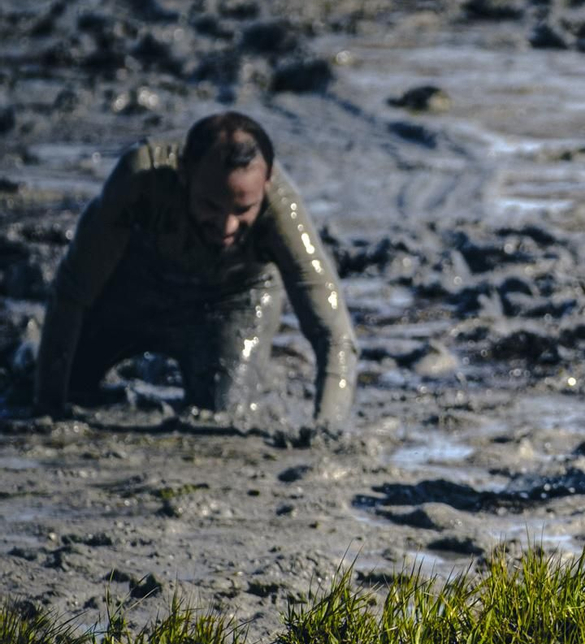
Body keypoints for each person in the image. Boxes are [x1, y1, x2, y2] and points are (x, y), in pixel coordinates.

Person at [34, 112, 357, 429]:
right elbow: (72, 292)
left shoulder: (282, 212)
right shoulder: (140, 179)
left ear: (267, 181)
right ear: (183, 174)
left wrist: (327, 427)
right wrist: (46, 406)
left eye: (243, 210)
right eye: (211, 206)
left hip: (232, 303)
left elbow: (332, 332)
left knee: (224, 418)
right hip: (133, 292)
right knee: (67, 385)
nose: (226, 226)